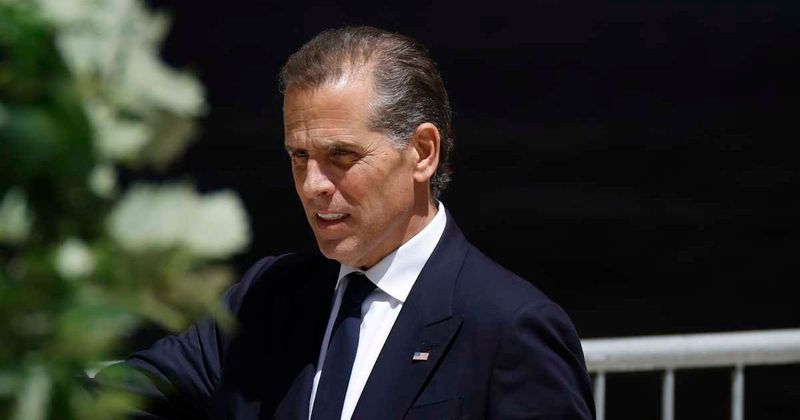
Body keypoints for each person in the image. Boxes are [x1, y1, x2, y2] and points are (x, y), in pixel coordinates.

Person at [99, 26, 595, 419]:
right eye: (299, 156)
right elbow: (120, 397)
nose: (312, 184)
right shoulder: (268, 298)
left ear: (422, 152)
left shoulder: (510, 328)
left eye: (341, 155)